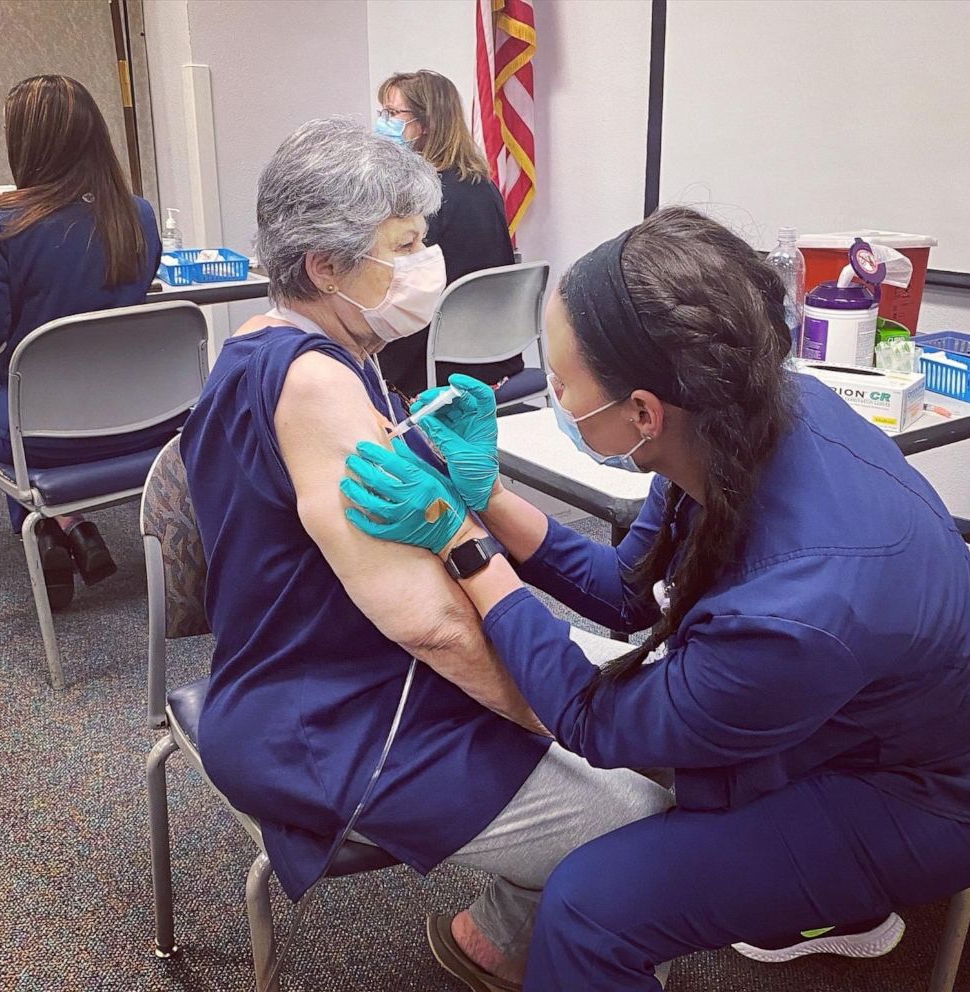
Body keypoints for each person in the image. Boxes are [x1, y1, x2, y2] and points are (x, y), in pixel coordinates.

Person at [343, 206, 970, 991]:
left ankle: (837, 893)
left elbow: (596, 722)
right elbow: (629, 590)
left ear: (643, 412)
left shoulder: (797, 609)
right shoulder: (735, 421)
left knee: (592, 906)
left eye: (562, 385)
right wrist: (490, 497)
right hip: (846, 710)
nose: (556, 400)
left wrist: (464, 546)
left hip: (917, 796)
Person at [179, 117, 670, 992]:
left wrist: (473, 496)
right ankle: (523, 936)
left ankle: (494, 935)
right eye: (402, 245)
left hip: (332, 671)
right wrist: (572, 727)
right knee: (645, 817)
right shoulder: (317, 381)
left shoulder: (300, 342)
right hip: (332, 717)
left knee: (629, 704)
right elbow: (436, 627)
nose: (425, 263)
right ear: (326, 266)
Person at [0, 75, 167, 610]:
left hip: (39, 437)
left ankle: (47, 527)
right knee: (26, 411)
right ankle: (68, 521)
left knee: (6, 418)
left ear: (26, 143)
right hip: (138, 426)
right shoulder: (139, 215)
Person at [373, 70, 519, 399]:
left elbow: (399, 284)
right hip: (496, 354)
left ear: (426, 123)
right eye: (382, 113)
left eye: (393, 114)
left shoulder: (426, 200)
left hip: (437, 362)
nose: (384, 123)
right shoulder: (483, 185)